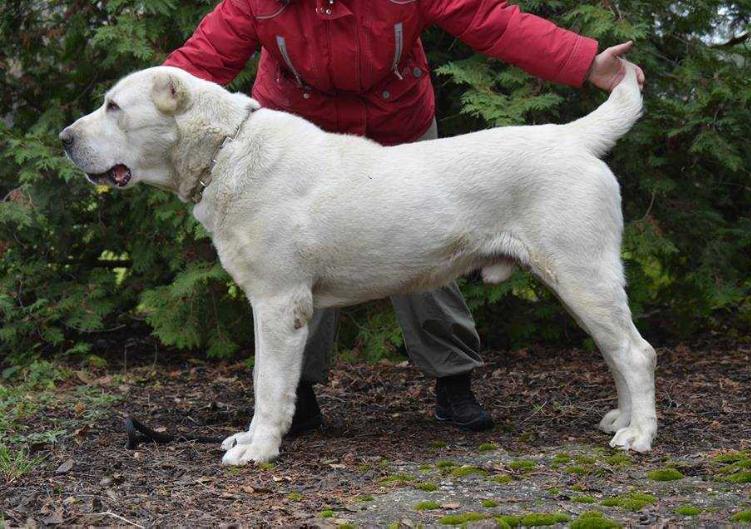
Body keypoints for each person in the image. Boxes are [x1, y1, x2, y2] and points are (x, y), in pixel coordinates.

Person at [164, 0, 645, 435]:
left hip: (397, 125)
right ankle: (294, 401)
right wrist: (132, 110)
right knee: (284, 277)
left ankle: (454, 382)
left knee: (428, 247)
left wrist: (585, 62)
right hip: (299, 143)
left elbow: (488, 19)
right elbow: (195, 66)